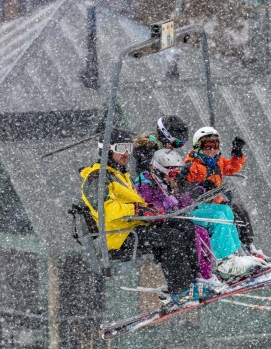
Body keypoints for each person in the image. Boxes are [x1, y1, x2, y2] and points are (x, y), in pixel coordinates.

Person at [79, 128, 207, 307]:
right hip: (119, 237)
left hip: (133, 229)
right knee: (171, 238)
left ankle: (195, 281)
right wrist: (138, 210)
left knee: (183, 226)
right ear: (107, 150)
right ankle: (180, 290)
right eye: (121, 148)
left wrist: (151, 210)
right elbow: (107, 210)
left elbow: (133, 205)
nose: (126, 154)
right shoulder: (97, 179)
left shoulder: (119, 175)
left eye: (129, 148)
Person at [178, 126, 271, 278]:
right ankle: (223, 261)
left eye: (215, 146)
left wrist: (237, 152)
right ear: (198, 147)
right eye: (208, 147)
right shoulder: (191, 166)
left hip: (214, 205)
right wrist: (200, 188)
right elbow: (183, 192)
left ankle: (238, 253)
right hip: (197, 209)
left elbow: (232, 167)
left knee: (230, 212)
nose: (212, 150)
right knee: (220, 218)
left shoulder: (217, 162)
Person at [134, 149, 223, 288]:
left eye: (177, 173)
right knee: (189, 232)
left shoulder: (166, 182)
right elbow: (147, 207)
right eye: (172, 173)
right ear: (159, 169)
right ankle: (189, 278)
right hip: (154, 224)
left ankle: (204, 274)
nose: (174, 177)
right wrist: (166, 204)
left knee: (201, 232)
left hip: (169, 220)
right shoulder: (145, 183)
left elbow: (179, 203)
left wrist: (197, 191)